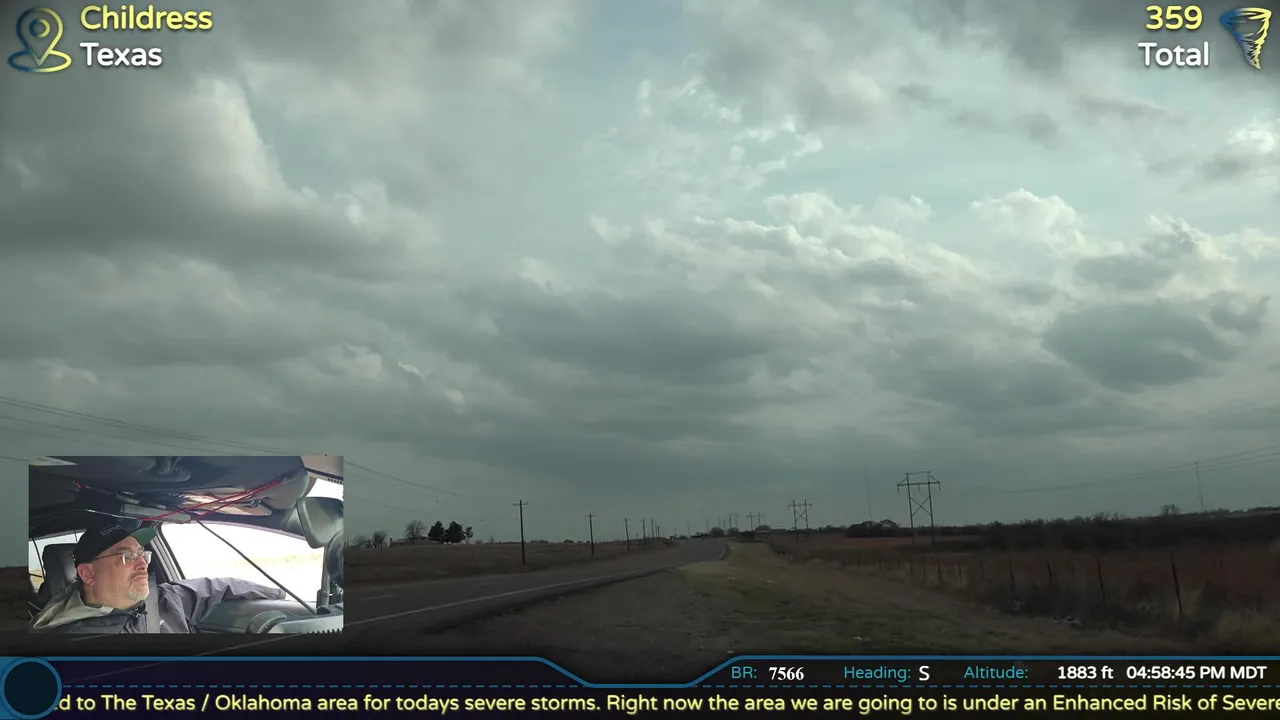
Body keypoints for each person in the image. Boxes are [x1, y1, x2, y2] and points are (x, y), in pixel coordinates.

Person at [31, 515, 286, 634]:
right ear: (88, 574)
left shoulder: (166, 599)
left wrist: (279, 595)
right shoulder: (67, 639)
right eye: (127, 557)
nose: (143, 565)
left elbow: (219, 586)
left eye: (142, 555)